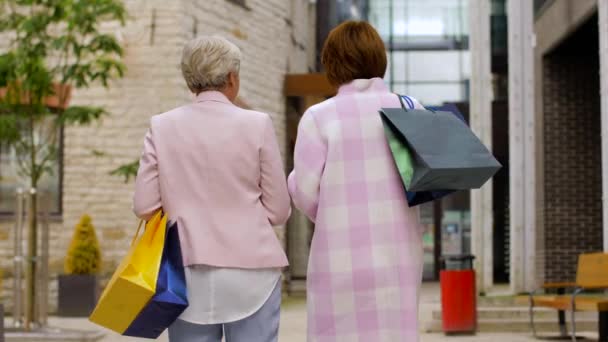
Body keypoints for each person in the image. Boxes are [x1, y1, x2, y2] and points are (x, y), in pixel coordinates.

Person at [133, 35, 291, 342]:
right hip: (252, 273)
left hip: (186, 275)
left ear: (191, 81)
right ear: (233, 78)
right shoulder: (258, 124)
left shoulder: (161, 125)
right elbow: (279, 210)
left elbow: (144, 207)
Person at [288, 21, 425, 341]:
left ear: (332, 62)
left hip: (338, 256)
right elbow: (423, 180)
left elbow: (305, 193)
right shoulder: (410, 109)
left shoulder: (319, 117)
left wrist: (328, 204)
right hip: (399, 255)